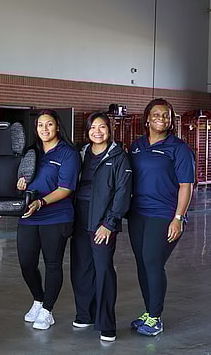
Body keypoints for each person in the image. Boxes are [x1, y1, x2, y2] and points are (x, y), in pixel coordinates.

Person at [128, 98, 194, 336]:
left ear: (171, 120)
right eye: (156, 115)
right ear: (147, 118)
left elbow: (186, 186)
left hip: (164, 215)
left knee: (153, 262)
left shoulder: (179, 149)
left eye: (166, 115)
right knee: (142, 264)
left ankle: (155, 318)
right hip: (138, 214)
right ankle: (148, 312)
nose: (161, 119)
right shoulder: (136, 146)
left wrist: (178, 217)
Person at [70, 112, 132, 342]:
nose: (97, 131)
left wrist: (109, 223)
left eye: (102, 127)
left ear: (109, 129)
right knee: (81, 268)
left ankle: (107, 323)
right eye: (93, 128)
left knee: (103, 269)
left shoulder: (118, 157)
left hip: (103, 221)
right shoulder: (81, 154)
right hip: (79, 218)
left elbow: (123, 193)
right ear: (87, 132)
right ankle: (85, 314)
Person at [16, 109, 80, 331]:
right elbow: (21, 180)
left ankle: (47, 310)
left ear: (57, 126)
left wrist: (41, 202)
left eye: (49, 124)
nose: (45, 129)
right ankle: (38, 299)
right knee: (26, 264)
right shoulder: (31, 152)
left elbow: (66, 188)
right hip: (29, 216)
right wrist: (19, 185)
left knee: (52, 264)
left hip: (56, 216)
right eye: (41, 125)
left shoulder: (67, 153)